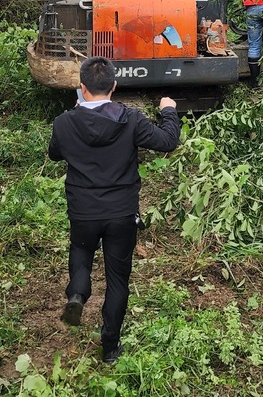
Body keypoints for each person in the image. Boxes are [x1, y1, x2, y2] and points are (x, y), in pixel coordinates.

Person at [48, 57, 181, 363]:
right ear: (114, 86)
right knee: (118, 279)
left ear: (82, 88)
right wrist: (168, 111)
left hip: (83, 210)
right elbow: (168, 141)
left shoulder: (64, 122)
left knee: (81, 252)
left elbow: (55, 154)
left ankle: (77, 295)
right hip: (121, 213)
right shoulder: (130, 119)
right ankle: (109, 349)